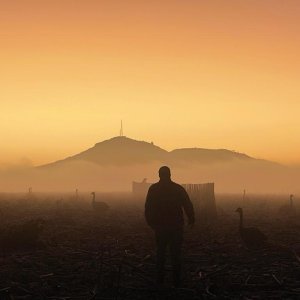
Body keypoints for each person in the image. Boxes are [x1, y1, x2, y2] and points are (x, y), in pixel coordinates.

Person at [145, 166, 195, 288]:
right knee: (175, 254)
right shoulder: (177, 189)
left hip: (161, 227)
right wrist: (191, 218)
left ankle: (160, 280)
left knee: (161, 253)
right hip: (175, 227)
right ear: (170, 174)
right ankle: (176, 281)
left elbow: (148, 208)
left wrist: (152, 223)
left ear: (159, 175)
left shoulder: (154, 189)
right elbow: (187, 205)